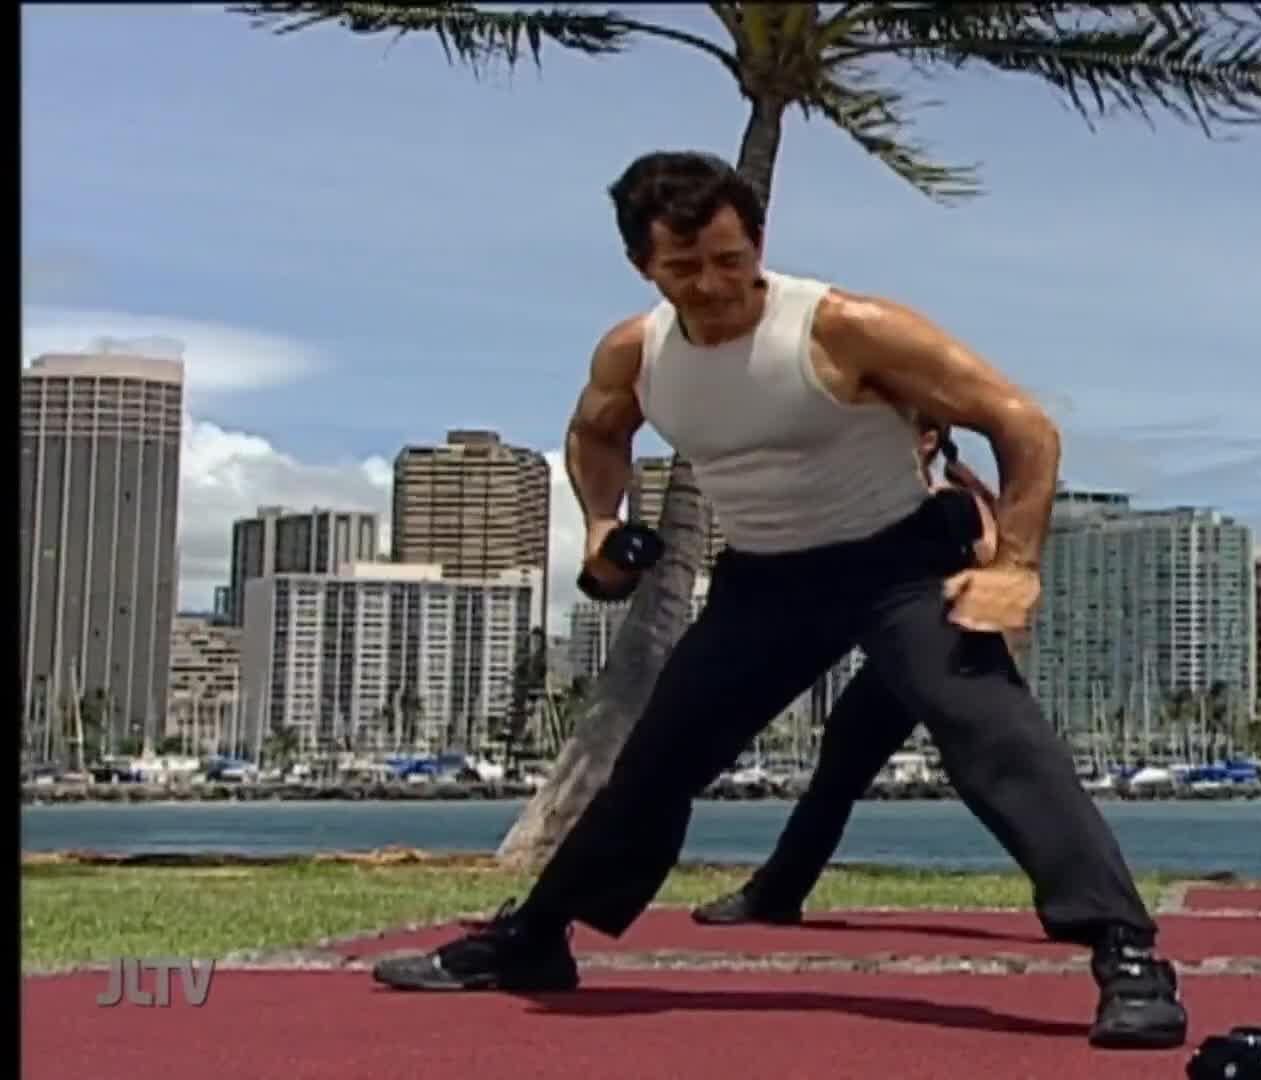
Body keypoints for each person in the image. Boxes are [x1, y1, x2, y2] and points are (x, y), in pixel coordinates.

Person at [370, 150, 1188, 1050]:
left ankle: (1126, 951)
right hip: (764, 578)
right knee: (656, 762)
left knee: (994, 738)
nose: (714, 285)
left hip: (899, 566)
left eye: (730, 259)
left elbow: (1021, 424)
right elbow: (594, 432)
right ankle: (534, 940)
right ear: (644, 267)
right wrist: (604, 522)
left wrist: (1017, 564)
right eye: (685, 269)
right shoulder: (637, 353)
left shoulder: (843, 328)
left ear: (757, 242)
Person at [690, 416, 1000, 928]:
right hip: (898, 663)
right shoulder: (879, 507)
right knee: (837, 773)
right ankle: (776, 893)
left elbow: (993, 557)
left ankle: (1085, 896)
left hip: (954, 657)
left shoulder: (953, 502)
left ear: (924, 442)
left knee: (1004, 775)